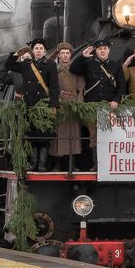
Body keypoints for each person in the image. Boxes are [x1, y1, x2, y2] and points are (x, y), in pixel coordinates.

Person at [69, 37, 125, 169]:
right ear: (96, 51)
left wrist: (116, 100)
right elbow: (73, 68)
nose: (102, 51)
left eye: (105, 48)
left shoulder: (116, 66)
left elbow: (122, 86)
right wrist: (82, 57)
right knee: (94, 137)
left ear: (109, 50)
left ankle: (109, 164)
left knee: (110, 135)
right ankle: (97, 164)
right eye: (100, 49)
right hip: (92, 106)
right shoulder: (89, 63)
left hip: (108, 106)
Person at [4, 37, 57, 171]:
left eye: (41, 48)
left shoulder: (50, 64)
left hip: (43, 106)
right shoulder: (26, 65)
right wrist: (16, 54)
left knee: (44, 137)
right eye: (36, 48)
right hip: (30, 106)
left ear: (45, 51)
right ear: (32, 51)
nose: (38, 51)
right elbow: (8, 65)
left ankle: (42, 164)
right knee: (32, 137)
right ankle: (33, 163)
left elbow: (54, 87)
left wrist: (53, 106)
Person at [49, 42, 84, 171]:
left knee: (73, 135)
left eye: (67, 53)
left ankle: (71, 163)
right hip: (59, 104)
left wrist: (79, 105)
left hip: (73, 104)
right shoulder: (54, 70)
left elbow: (81, 87)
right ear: (59, 55)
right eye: (62, 53)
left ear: (70, 55)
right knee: (58, 135)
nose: (65, 55)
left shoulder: (76, 69)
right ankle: (57, 163)